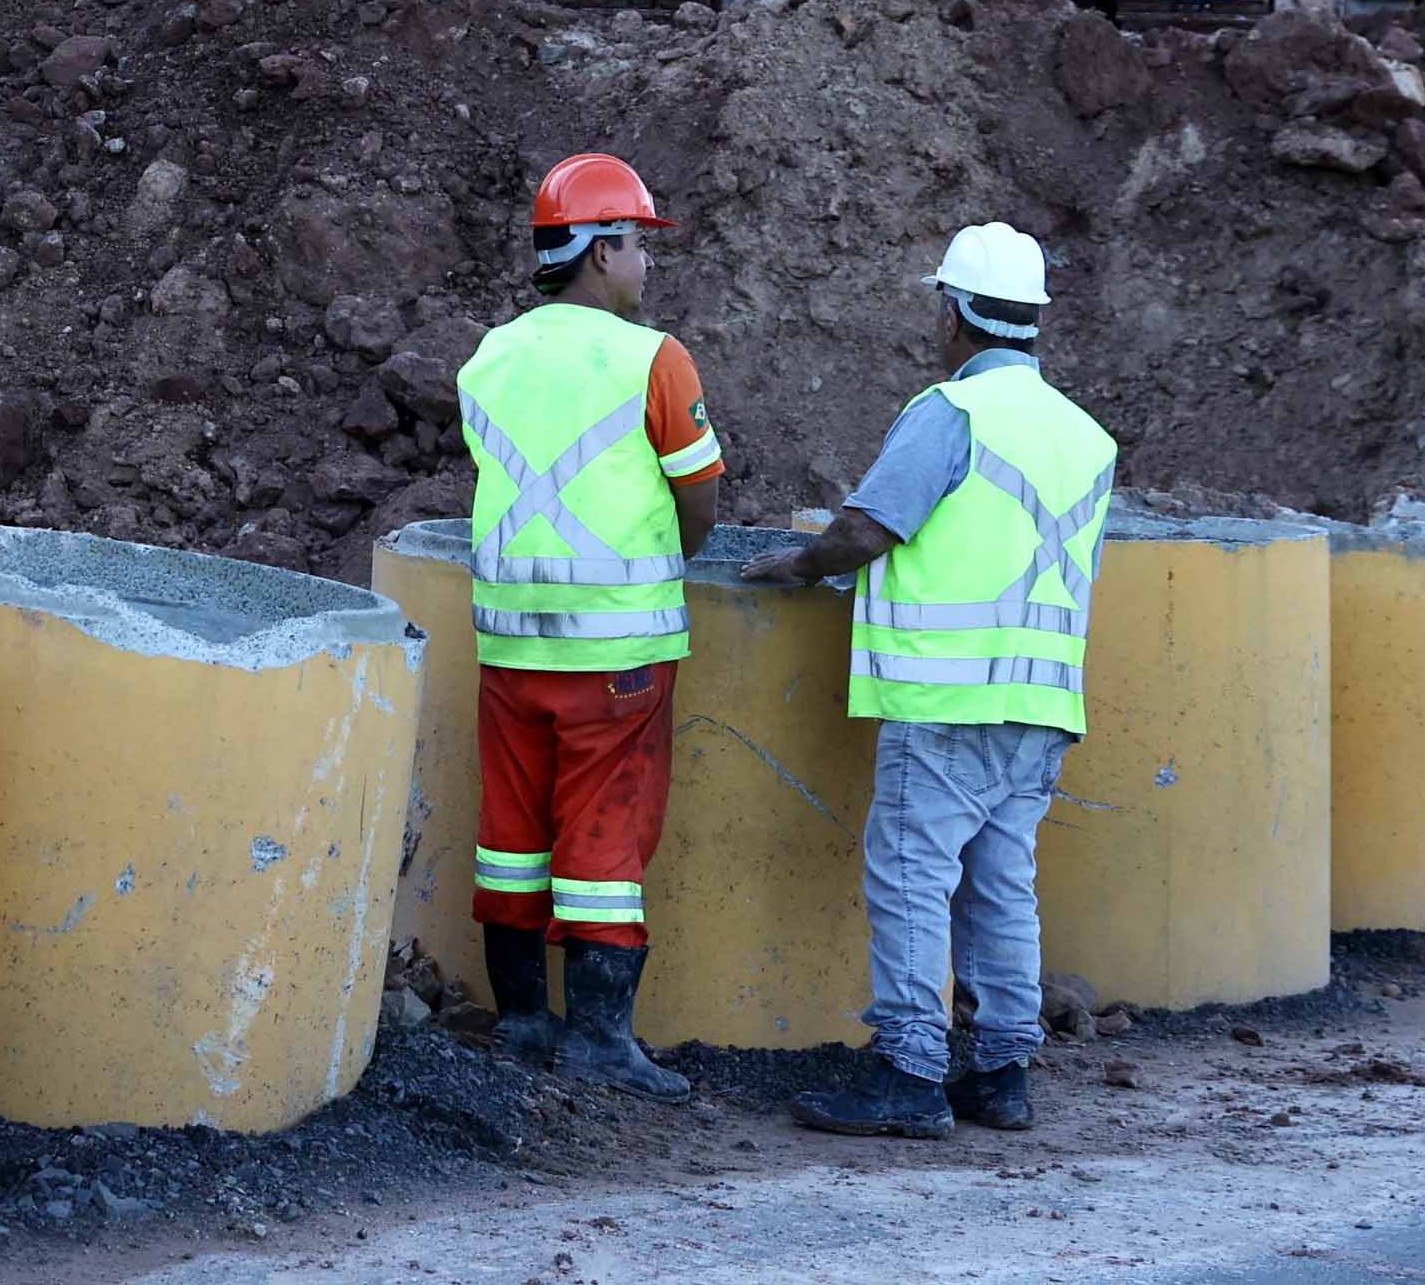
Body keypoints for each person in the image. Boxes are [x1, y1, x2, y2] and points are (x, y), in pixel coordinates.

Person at [743, 222, 1116, 1141]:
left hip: (948, 700)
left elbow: (869, 529)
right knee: (1002, 885)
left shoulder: (951, 412)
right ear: (1032, 319)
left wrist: (795, 566)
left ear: (953, 312)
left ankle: (910, 1074)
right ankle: (1002, 1073)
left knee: (912, 879)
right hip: (1040, 703)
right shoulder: (1087, 436)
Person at [453, 153, 724, 1101]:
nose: (646, 267)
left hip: (509, 645)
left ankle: (525, 1021)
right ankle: (603, 1039)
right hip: (617, 651)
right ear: (601, 251)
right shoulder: (653, 357)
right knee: (606, 838)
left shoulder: (488, 355)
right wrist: (670, 555)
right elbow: (700, 497)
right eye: (639, 246)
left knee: (513, 833)